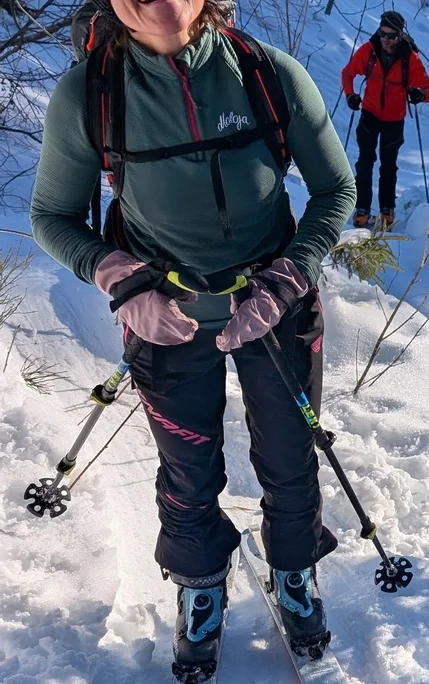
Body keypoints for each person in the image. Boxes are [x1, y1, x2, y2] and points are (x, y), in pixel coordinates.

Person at [29, 0, 356, 678]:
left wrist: (290, 275)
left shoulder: (268, 74)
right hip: (165, 318)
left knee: (292, 455)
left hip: (274, 309)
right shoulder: (89, 94)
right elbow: (53, 216)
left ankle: (294, 571)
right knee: (187, 470)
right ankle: (201, 585)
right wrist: (119, 276)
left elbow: (336, 190)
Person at [340, 12, 429, 229]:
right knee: (365, 161)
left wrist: (420, 95)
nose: (385, 39)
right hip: (370, 113)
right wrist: (350, 95)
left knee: (388, 165)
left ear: (400, 36)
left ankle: (386, 210)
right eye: (382, 33)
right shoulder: (369, 51)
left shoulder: (410, 59)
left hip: (394, 118)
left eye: (391, 36)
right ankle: (361, 209)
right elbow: (348, 72)